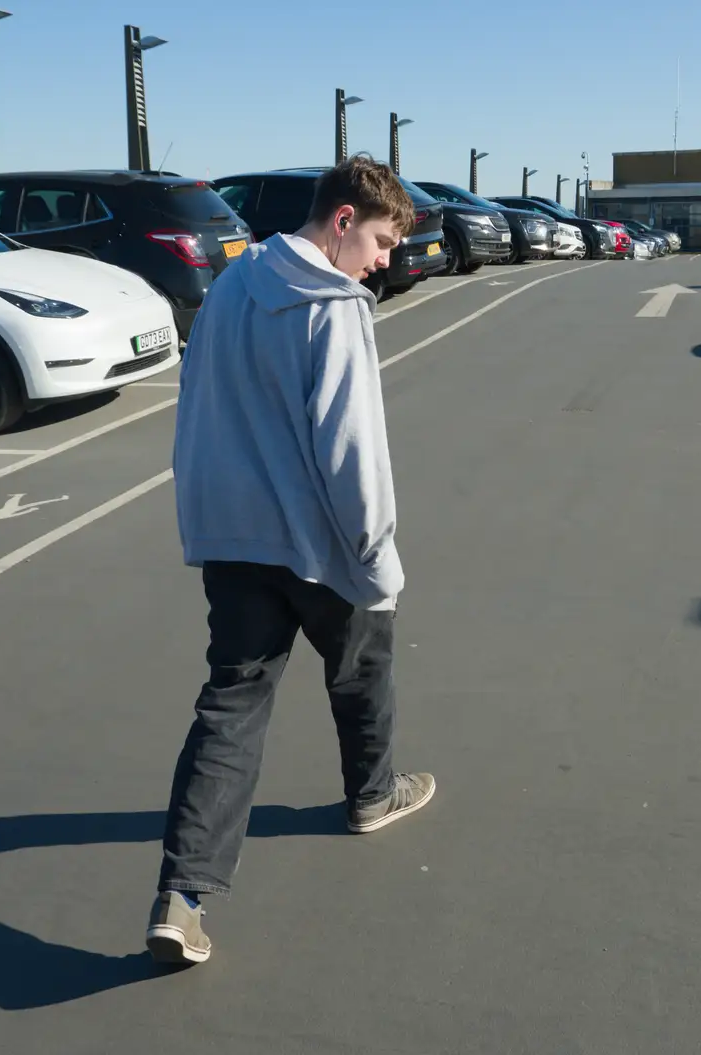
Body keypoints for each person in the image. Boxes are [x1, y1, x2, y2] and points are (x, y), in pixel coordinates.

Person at [145, 155, 436, 966]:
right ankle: (372, 794)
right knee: (362, 669)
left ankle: (182, 896)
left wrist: (201, 515)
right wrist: (376, 551)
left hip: (233, 534)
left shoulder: (233, 283)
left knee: (231, 706)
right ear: (342, 221)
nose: (384, 261)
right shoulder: (333, 309)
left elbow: (197, 401)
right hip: (318, 543)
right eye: (381, 242)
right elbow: (352, 451)